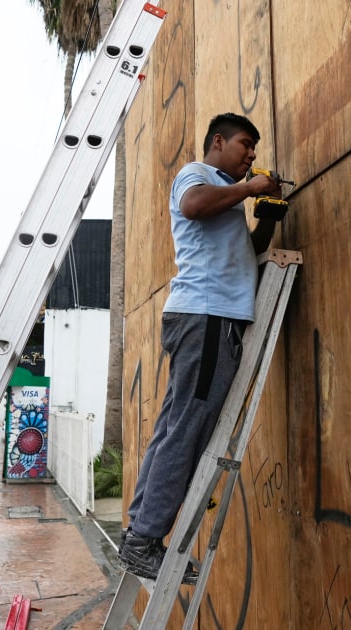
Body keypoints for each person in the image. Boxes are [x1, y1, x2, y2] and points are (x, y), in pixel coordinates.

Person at [118, 112, 284, 581]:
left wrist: (267, 220)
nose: (252, 154)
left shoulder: (223, 194)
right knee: (187, 431)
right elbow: (192, 206)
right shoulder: (197, 175)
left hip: (205, 317)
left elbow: (243, 254)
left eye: (254, 148)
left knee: (175, 428)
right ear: (218, 142)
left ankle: (139, 532)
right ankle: (145, 540)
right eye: (245, 144)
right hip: (207, 318)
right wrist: (250, 189)